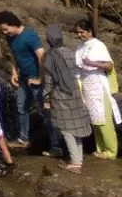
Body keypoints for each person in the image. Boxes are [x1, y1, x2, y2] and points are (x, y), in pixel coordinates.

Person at [0, 10, 57, 153]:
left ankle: (56, 145)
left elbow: (41, 55)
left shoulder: (29, 35)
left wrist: (40, 78)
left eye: (5, 29)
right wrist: (14, 72)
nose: (4, 32)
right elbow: (14, 54)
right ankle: (23, 139)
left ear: (14, 24)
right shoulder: (11, 37)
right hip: (23, 79)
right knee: (21, 107)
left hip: (35, 79)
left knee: (44, 112)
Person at [43, 24, 92, 173]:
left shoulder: (50, 56)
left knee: (66, 130)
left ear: (48, 39)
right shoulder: (71, 51)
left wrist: (45, 98)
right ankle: (78, 158)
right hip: (75, 92)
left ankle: (76, 163)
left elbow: (49, 81)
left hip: (61, 96)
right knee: (75, 127)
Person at [73, 16, 120, 160]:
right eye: (77, 32)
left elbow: (109, 65)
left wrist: (93, 63)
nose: (79, 35)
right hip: (86, 85)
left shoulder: (98, 45)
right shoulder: (80, 47)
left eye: (82, 32)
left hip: (98, 85)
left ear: (89, 31)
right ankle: (100, 148)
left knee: (104, 119)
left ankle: (111, 151)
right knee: (94, 120)